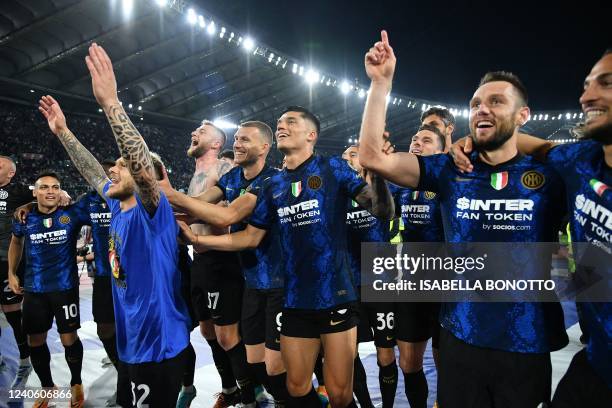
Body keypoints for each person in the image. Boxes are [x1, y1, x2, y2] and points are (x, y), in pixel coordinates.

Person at [359, 31, 568, 406]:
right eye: (475, 104)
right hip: (460, 337)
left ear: (524, 115)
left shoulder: (552, 176)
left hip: (525, 340)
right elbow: (373, 158)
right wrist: (381, 84)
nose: (481, 109)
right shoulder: (449, 170)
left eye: (496, 102)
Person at [180, 106, 395, 407]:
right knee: (295, 387)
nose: (281, 125)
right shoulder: (274, 185)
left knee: (340, 394)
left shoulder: (333, 168)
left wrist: (380, 174)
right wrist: (198, 238)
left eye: (290, 122)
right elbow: (251, 236)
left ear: (311, 135)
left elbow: (383, 210)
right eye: (279, 122)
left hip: (336, 296)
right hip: (293, 300)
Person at [450, 49, 612, 407]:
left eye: (607, 83)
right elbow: (522, 141)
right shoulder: (580, 161)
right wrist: (471, 138)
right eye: (586, 86)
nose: (586, 97)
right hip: (596, 361)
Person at [36, 42, 191, 407]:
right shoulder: (116, 204)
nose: (114, 169)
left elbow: (141, 170)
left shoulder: (153, 210)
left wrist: (110, 103)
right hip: (133, 346)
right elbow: (91, 171)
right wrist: (62, 132)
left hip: (158, 347)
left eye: (123, 165)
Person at [162, 121, 290, 405]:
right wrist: (156, 202)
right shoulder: (231, 180)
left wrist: (193, 232)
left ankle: (292, 398)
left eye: (245, 139)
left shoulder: (271, 180)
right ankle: (246, 392)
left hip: (276, 279)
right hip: (250, 278)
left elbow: (227, 218)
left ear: (264, 147)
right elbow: (195, 206)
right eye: (238, 138)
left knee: (271, 363)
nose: (238, 144)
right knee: (253, 359)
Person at [182, 118, 254, 407]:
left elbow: (234, 213)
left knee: (228, 336)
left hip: (222, 259)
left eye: (201, 131)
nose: (193, 133)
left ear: (216, 143)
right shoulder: (195, 175)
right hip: (199, 260)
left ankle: (250, 396)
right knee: (207, 331)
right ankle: (230, 389)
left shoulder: (225, 169)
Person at [8, 171, 88, 407]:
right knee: (35, 340)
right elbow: (16, 241)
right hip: (34, 289)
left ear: (60, 190)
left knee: (68, 339)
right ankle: (47, 386)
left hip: (64, 288)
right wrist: (12, 273)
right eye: (44, 187)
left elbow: (97, 202)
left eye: (55, 186)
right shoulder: (24, 217)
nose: (50, 191)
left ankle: (76, 383)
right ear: (36, 192)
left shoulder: (71, 214)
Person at [387, 124, 446, 408]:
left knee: (445, 359)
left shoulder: (450, 182)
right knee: (408, 363)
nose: (417, 143)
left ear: (442, 150)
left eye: (426, 140)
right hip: (411, 280)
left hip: (447, 283)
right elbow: (380, 210)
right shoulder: (401, 187)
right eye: (414, 139)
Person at [343, 144, 396, 408]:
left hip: (381, 283)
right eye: (344, 156)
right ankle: (365, 405)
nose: (347, 159)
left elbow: (389, 214)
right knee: (349, 355)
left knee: (385, 355)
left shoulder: (384, 190)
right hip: (350, 287)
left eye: (352, 154)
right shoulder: (337, 197)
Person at [0, 155, 33, 388]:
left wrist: (30, 205)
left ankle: (25, 358)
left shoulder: (20, 191)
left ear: (10, 173)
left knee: (12, 312)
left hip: (6, 260)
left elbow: (45, 197)